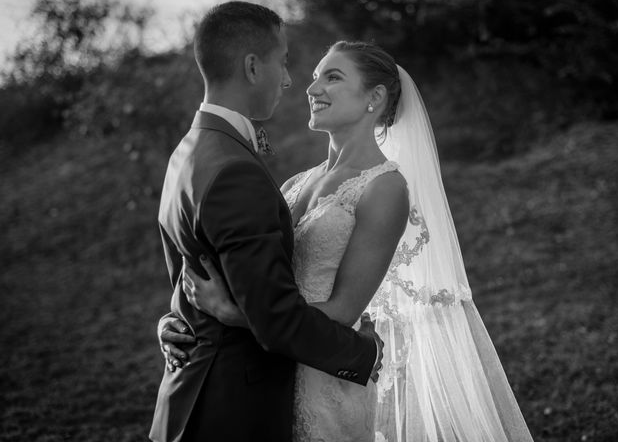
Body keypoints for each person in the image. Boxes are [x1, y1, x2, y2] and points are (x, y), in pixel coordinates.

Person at [168, 41, 536, 441]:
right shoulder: (295, 183)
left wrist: (233, 314)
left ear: (374, 98)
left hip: (321, 382)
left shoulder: (385, 188)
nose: (312, 89)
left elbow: (344, 311)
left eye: (333, 77)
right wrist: (183, 317)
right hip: (269, 367)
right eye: (314, 78)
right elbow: (247, 271)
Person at [148, 2, 385, 442]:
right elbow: (274, 318)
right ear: (253, 67)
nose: (292, 80)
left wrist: (186, 319)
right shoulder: (233, 168)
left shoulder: (190, 150)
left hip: (200, 396)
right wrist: (365, 354)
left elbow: (200, 265)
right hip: (231, 409)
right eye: (285, 61)